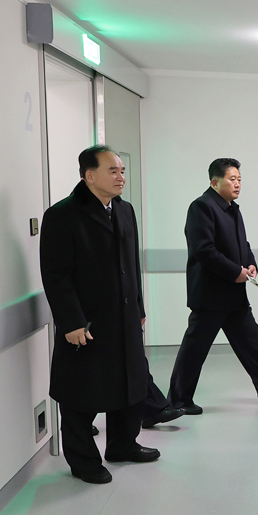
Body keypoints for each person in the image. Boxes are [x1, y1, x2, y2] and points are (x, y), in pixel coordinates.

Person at [40, 146, 161, 484]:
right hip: (87, 323)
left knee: (130, 385)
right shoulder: (63, 215)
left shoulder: (124, 210)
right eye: (113, 171)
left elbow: (131, 265)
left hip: (124, 318)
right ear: (89, 176)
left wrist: (138, 308)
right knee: (81, 393)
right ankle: (83, 462)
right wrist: (71, 321)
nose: (121, 177)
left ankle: (123, 445)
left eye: (122, 170)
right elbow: (57, 276)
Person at [167, 158, 258, 413]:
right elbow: (203, 250)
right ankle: (179, 400)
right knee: (195, 349)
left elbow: (242, 243)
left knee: (251, 342)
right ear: (215, 182)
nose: (237, 184)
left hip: (234, 293)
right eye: (232, 179)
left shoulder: (232, 208)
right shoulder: (201, 207)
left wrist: (250, 263)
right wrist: (235, 271)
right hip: (210, 294)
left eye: (239, 179)